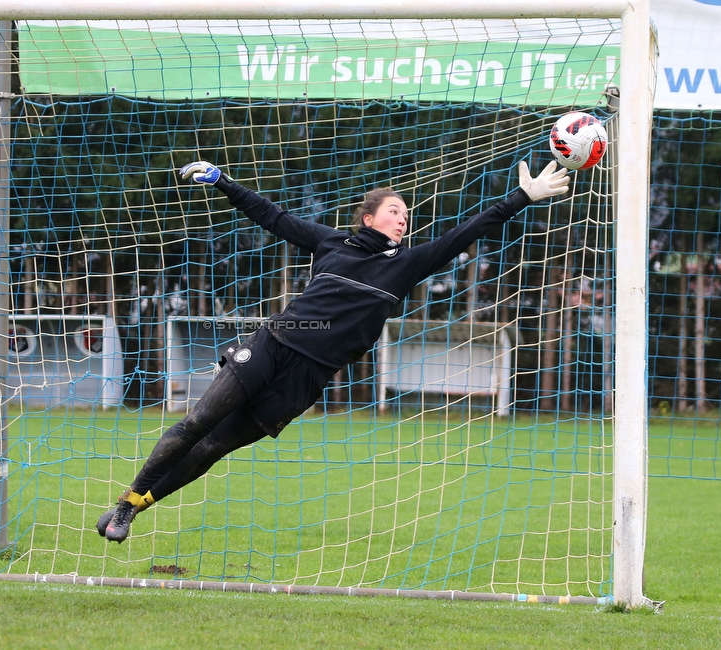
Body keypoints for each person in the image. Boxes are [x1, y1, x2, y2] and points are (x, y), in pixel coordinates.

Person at [97, 158, 569, 543]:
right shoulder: (331, 242)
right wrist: (225, 183)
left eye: (407, 216)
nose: (404, 220)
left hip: (306, 379)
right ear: (369, 218)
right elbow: (273, 216)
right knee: (198, 422)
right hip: (273, 346)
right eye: (395, 212)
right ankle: (126, 502)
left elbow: (466, 232)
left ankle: (139, 507)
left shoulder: (407, 264)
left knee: (214, 447)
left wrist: (523, 196)